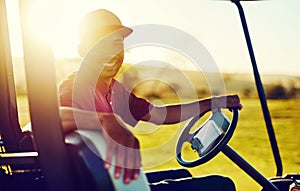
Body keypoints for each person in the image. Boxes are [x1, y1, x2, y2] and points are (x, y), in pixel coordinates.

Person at [58, 9, 242, 190]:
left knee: (183, 174)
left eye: (117, 43)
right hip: (104, 185)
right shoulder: (75, 87)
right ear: (82, 50)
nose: (111, 52)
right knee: (221, 184)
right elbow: (52, 118)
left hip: (116, 180)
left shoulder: (116, 91)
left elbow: (160, 113)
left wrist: (212, 103)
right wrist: (106, 120)